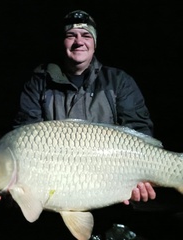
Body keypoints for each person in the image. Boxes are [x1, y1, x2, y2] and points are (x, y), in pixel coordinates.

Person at [13, 9, 156, 237]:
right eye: (71, 35)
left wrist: (144, 177)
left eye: (86, 35)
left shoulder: (119, 82)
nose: (79, 41)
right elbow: (22, 139)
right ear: (63, 42)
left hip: (113, 200)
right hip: (55, 198)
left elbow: (139, 131)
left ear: (95, 44)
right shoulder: (39, 83)